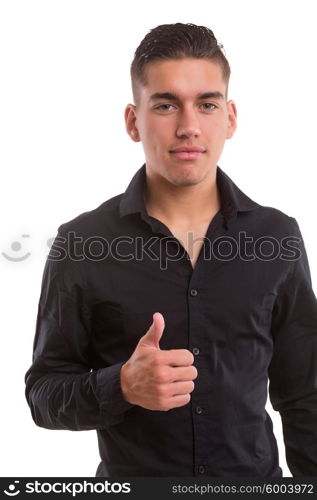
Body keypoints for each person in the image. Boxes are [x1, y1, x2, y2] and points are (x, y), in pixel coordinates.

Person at [25, 22, 317, 477]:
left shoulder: (277, 237)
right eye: (165, 105)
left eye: (206, 104)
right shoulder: (81, 244)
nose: (188, 126)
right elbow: (43, 395)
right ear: (133, 121)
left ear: (230, 117)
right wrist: (119, 385)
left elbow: (305, 394)